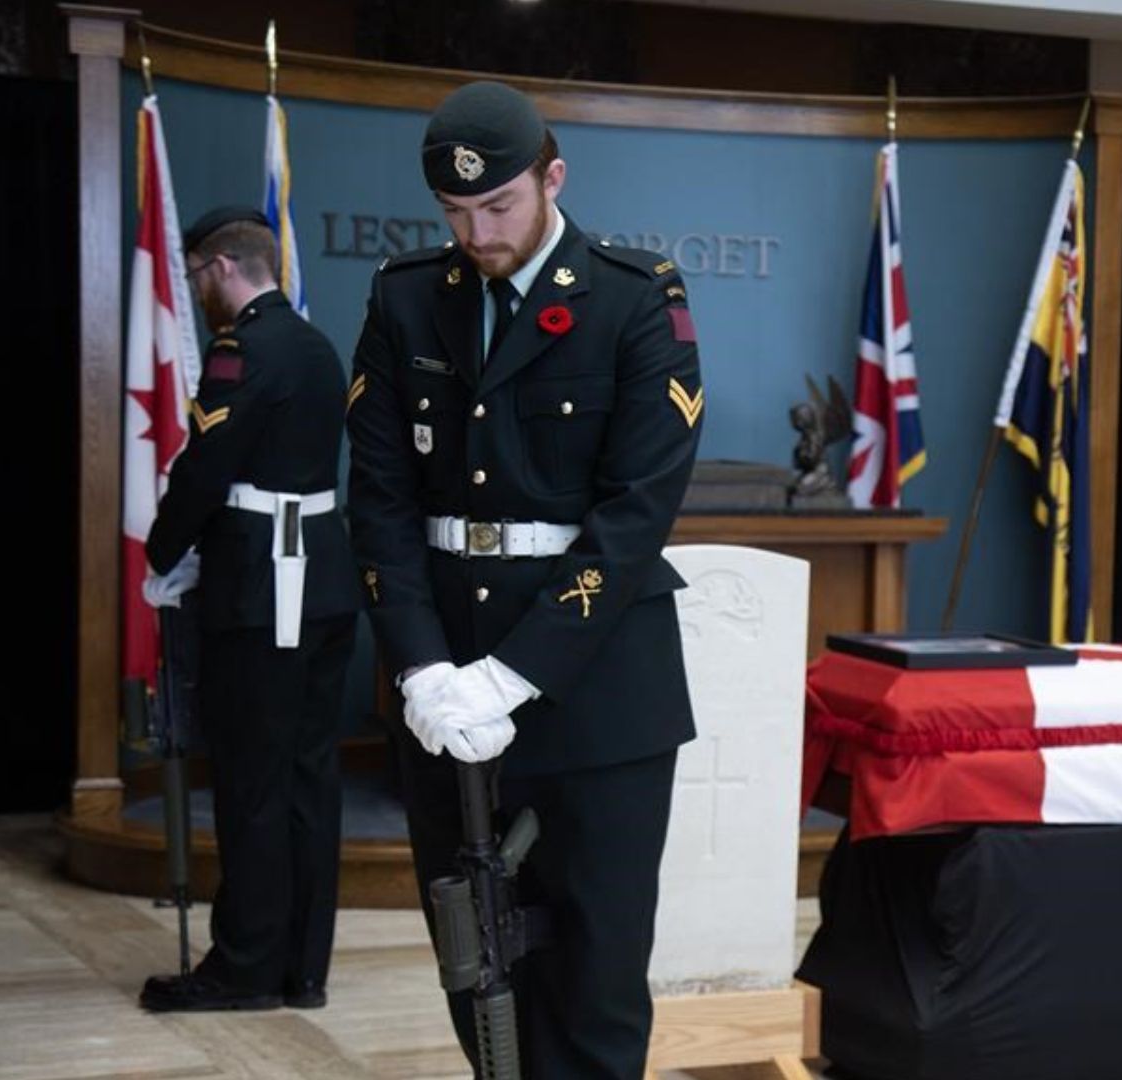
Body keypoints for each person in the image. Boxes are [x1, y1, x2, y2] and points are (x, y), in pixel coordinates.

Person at [345, 80, 705, 1078]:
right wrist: (424, 672)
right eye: (455, 214)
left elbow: (634, 518)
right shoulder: (406, 296)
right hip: (445, 692)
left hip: (597, 697)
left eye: (497, 206)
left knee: (592, 976)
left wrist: (512, 676)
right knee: (477, 962)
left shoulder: (638, 300)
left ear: (553, 178)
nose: (478, 232)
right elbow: (380, 503)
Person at [138, 207, 361, 1012]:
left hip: (263, 590)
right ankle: (302, 968)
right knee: (308, 780)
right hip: (322, 579)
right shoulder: (316, 343)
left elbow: (205, 468)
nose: (198, 291)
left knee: (251, 784)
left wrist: (163, 554)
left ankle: (242, 968)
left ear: (223, 266)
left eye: (197, 276)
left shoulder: (242, 349)